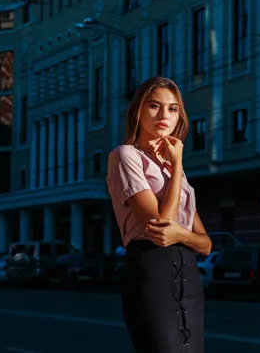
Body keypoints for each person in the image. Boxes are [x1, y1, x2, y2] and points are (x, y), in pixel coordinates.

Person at [106, 76, 212, 353]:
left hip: (188, 275)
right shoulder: (125, 156)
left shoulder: (173, 167)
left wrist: (180, 233)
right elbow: (159, 226)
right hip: (151, 270)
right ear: (138, 111)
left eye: (173, 108)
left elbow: (206, 244)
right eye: (154, 106)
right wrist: (177, 166)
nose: (164, 115)